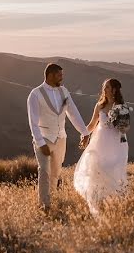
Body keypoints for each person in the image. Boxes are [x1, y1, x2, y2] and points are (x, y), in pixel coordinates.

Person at [26, 63, 90, 211]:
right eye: (59, 75)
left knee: (55, 172)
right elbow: (33, 122)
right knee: (44, 171)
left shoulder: (64, 92)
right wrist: (41, 143)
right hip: (44, 139)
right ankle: (44, 205)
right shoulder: (35, 94)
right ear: (50, 75)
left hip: (61, 138)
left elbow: (73, 113)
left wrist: (84, 132)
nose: (62, 78)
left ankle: (52, 199)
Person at [73, 78, 129, 215]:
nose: (104, 90)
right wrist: (84, 135)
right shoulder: (99, 106)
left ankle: (114, 202)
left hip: (116, 143)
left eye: (107, 87)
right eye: (104, 87)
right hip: (100, 142)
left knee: (113, 170)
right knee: (96, 169)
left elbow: (126, 128)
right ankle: (98, 201)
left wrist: (118, 122)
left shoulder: (121, 107)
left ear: (114, 90)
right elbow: (92, 124)